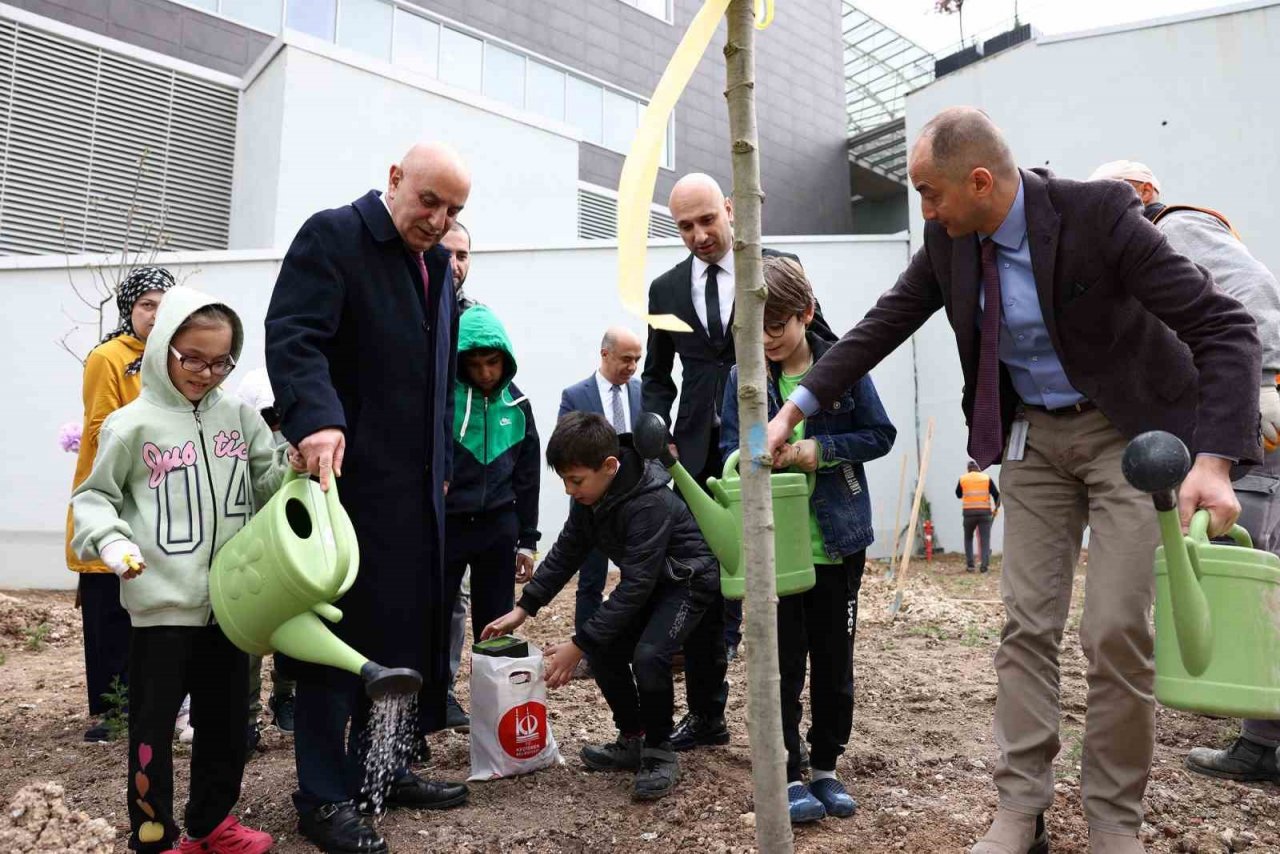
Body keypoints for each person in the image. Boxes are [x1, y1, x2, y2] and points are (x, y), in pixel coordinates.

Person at [764, 108, 1260, 854]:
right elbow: (882, 322)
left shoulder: (1100, 216)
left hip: (1127, 434)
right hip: (1033, 438)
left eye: (930, 194)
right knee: (1025, 625)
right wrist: (795, 408)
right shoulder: (949, 240)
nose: (924, 211)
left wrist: (1215, 462)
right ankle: (1019, 812)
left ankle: (1113, 821)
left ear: (981, 181)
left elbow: (1225, 327)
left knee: (1116, 632)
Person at [265, 141, 471, 854]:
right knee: (337, 643)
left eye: (453, 210)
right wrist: (316, 416)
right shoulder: (334, 236)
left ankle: (385, 769)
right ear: (393, 179)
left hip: (419, 496)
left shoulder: (439, 267)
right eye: (429, 201)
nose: (439, 220)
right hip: (345, 488)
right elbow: (295, 336)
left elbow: (441, 380)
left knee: (405, 633)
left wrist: (443, 464)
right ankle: (323, 797)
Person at [71, 286, 297, 854]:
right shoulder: (131, 426)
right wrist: (114, 542)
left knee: (223, 726)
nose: (205, 372)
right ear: (162, 349)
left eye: (221, 361)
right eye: (191, 358)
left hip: (232, 604)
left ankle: (212, 823)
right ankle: (153, 834)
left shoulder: (241, 420)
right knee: (152, 730)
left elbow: (264, 489)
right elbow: (94, 499)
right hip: (160, 610)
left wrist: (291, 466)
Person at [1088, 159, 1280, 784]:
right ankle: (1260, 740)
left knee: (1245, 563)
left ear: (1143, 195)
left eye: (1114, 198)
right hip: (1262, 390)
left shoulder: (1173, 230)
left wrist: (1254, 388)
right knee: (1254, 564)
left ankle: (1259, 733)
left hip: (1263, 396)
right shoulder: (1195, 234)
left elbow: (1245, 309)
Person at [641, 172, 837, 748]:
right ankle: (706, 714)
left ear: (731, 209)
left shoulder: (779, 266)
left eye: (708, 219)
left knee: (786, 590)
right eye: (685, 226)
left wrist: (807, 427)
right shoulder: (664, 292)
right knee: (702, 583)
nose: (700, 234)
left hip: (771, 451)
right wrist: (659, 445)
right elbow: (656, 378)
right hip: (699, 463)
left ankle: (793, 735)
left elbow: (822, 349)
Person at [719, 256, 895, 823]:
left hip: (838, 541)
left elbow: (880, 433)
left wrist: (821, 450)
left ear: (806, 314)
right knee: (782, 662)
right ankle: (787, 770)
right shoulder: (742, 380)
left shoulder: (843, 367)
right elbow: (733, 446)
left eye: (776, 327)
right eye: (755, 329)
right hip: (779, 549)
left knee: (833, 660)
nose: (767, 341)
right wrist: (757, 458)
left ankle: (826, 767)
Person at [482, 412, 724, 801]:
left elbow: (637, 586)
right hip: (651, 585)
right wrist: (524, 608)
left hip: (686, 584)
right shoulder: (592, 497)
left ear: (610, 466)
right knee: (606, 650)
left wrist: (579, 644)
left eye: (575, 480)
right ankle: (633, 738)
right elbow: (567, 551)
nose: (568, 490)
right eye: (563, 479)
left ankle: (660, 751)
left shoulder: (651, 502)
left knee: (648, 656)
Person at [65, 266, 174, 743]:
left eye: (162, 304)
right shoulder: (108, 357)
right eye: (146, 304)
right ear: (129, 308)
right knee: (109, 607)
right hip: (115, 490)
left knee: (149, 603)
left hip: (159, 494)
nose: (154, 314)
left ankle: (153, 702)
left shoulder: (176, 355)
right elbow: (98, 427)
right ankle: (112, 709)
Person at [442, 304, 540, 729]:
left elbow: (529, 476)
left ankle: (495, 709)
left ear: (506, 359)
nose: (485, 372)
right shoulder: (444, 402)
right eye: (475, 363)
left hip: (498, 529)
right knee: (437, 617)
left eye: (493, 362)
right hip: (447, 526)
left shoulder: (518, 405)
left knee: (496, 622)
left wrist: (528, 540)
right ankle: (436, 702)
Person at [557, 326, 643, 671]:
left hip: (634, 503)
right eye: (626, 358)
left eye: (637, 359)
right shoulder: (576, 395)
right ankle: (588, 653)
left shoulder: (641, 392)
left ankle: (632, 646)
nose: (632, 366)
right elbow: (565, 448)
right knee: (590, 579)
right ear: (605, 354)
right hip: (591, 503)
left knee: (638, 579)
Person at [235, 367, 298, 745]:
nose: (275, 424)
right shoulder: (236, 447)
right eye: (266, 416)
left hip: (291, 548)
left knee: (292, 629)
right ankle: (245, 717)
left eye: (280, 415)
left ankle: (286, 696)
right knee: (248, 638)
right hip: (250, 549)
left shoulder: (300, 446)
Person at [956, 460, 1000, 573]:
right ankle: (984, 566)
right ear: (979, 468)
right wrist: (996, 507)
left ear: (968, 469)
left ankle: (970, 565)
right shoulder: (986, 478)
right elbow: (996, 495)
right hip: (985, 513)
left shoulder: (963, 479)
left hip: (968, 514)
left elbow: (958, 494)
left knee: (968, 538)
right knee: (985, 539)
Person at [442, 220, 474, 312]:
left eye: (461, 257)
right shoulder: (410, 308)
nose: (453, 266)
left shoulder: (477, 318)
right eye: (445, 255)